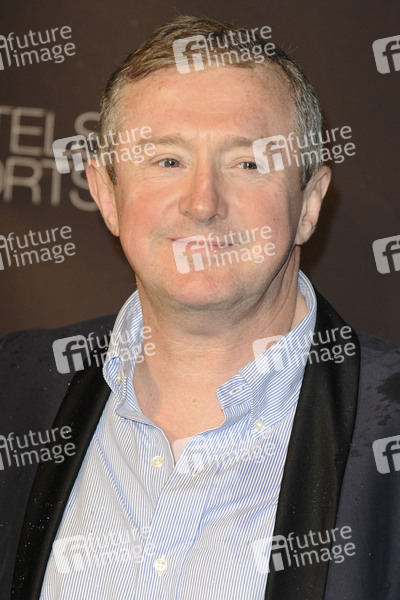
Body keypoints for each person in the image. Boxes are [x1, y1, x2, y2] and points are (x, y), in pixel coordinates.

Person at [1, 15, 399, 600]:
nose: (203, 203)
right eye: (167, 161)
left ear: (309, 203)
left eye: (247, 163)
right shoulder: (16, 388)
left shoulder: (386, 424)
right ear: (107, 194)